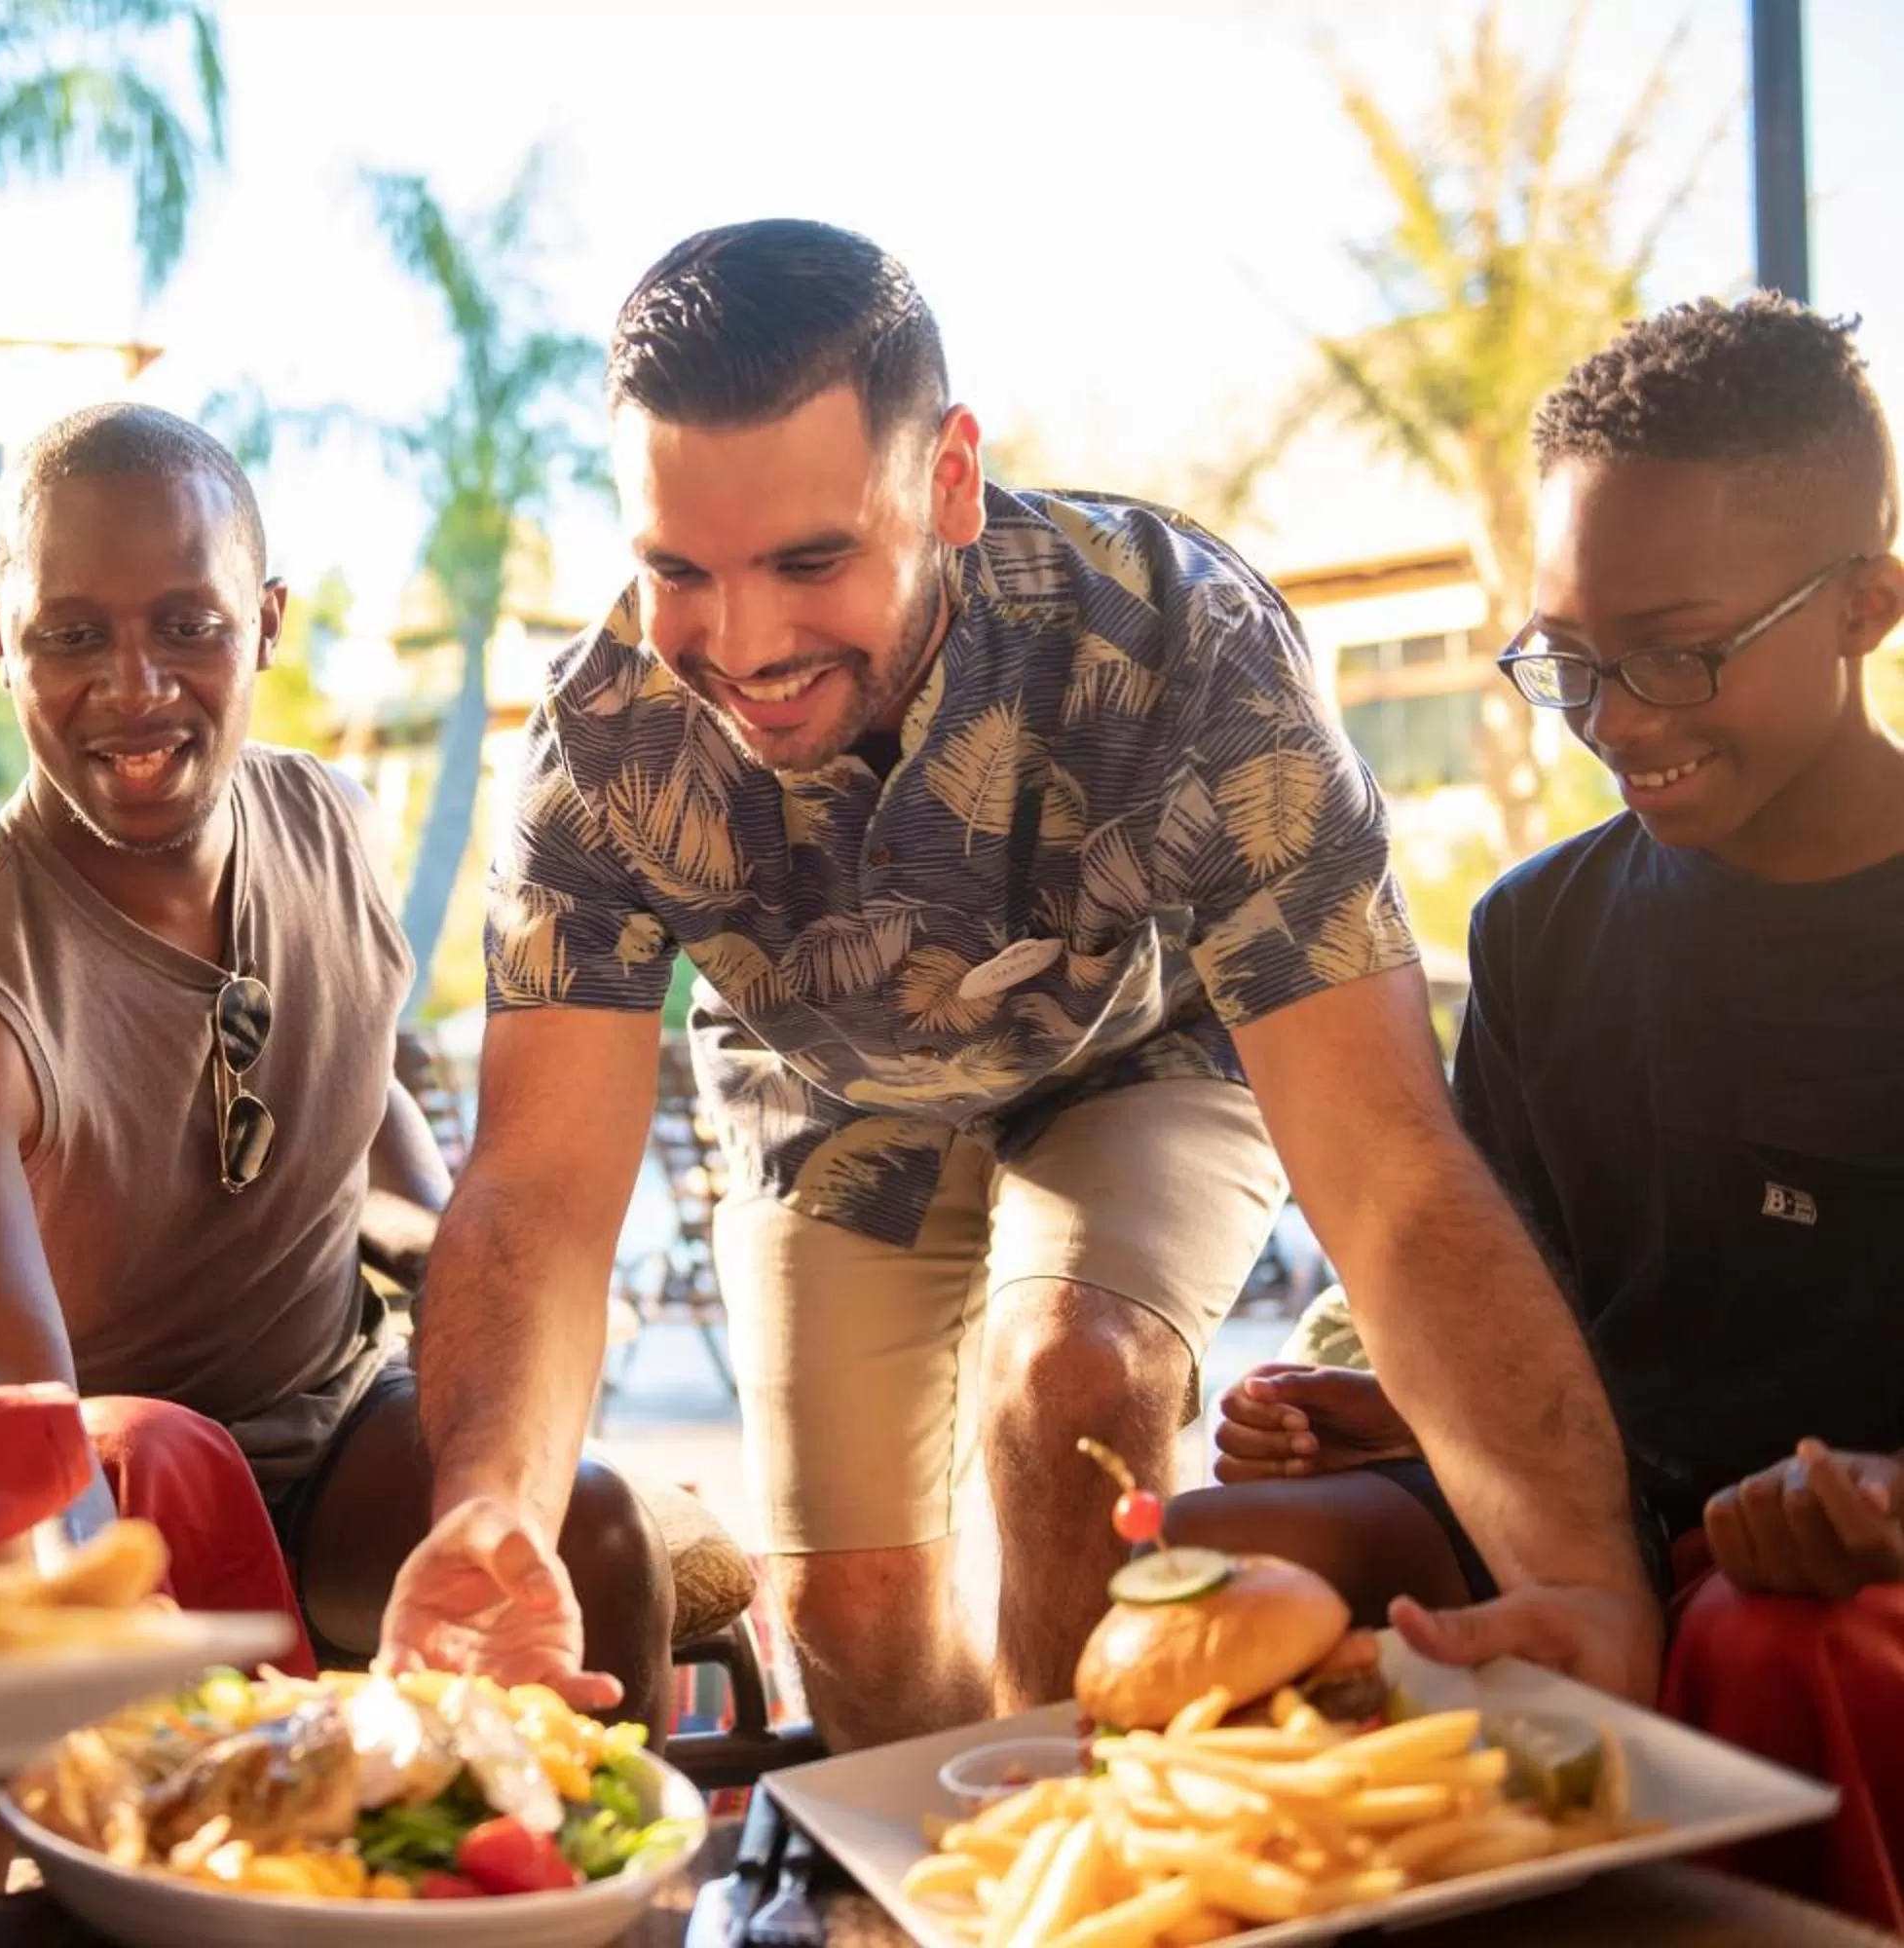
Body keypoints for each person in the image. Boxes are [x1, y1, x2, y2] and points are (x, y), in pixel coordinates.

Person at [376, 217, 1658, 1752]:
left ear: (952, 480)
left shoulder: (1186, 643)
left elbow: (1387, 1166)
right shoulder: (603, 747)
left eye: (812, 559)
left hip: (1135, 1049)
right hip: (821, 1090)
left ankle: (1085, 1874)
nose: (745, 642)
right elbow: (536, 1192)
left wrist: (1586, 1584)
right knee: (851, 1619)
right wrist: (486, 1512)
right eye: (679, 573)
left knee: (1071, 1380)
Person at [1172, 293, 1904, 1927]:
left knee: (1764, 1628)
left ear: (1866, 606)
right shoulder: (1541, 930)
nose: (1615, 717)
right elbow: (1545, 1307)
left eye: (1676, 652)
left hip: (1826, 1584)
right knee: (1222, 1558)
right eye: (1567, 658)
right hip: (1613, 1521)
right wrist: (1417, 1407)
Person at [0, 402, 677, 1730]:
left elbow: (368, 1101)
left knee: (594, 1540)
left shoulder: (327, 823)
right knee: (152, 1546)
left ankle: (576, 1911)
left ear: (267, 622)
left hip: (327, 1427)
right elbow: (10, 1453)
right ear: (3, 643)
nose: (135, 687)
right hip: (115, 1491)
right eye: (72, 636)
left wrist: (484, 1311)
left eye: (187, 625)